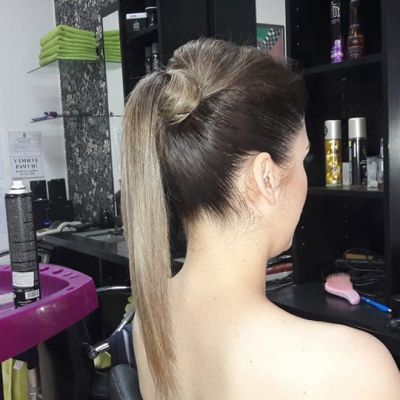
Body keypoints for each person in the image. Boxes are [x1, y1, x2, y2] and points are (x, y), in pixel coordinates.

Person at [120, 38, 400, 399]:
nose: (305, 177)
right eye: (304, 160)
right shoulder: (355, 370)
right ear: (266, 177)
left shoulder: (149, 318)